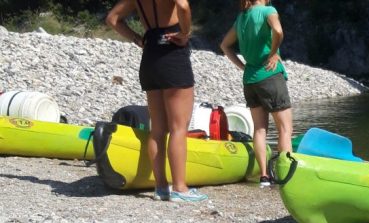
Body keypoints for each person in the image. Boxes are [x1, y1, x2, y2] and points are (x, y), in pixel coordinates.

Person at [106, 0, 208, 202]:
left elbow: (112, 19)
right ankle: (180, 188)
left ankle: (161, 187)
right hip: (172, 51)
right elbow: (184, 6)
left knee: (158, 129)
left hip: (150, 54)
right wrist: (185, 33)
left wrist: (136, 38)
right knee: (179, 127)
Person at [220, 0, 293, 188]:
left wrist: (242, 66)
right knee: (284, 129)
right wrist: (274, 53)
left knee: (260, 129)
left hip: (250, 79)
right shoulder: (268, 10)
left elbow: (224, 45)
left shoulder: (242, 17)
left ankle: (264, 177)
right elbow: (278, 31)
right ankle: (286, 176)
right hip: (270, 76)